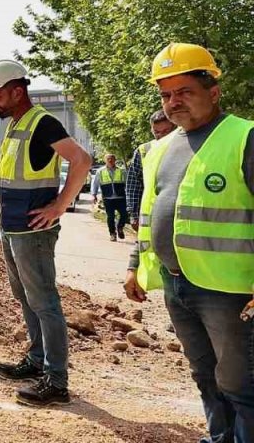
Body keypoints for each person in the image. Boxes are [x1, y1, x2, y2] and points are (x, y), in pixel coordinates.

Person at [124, 43, 254, 442]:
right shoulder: (161, 148)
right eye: (166, 95)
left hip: (230, 290)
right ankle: (219, 438)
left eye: (184, 92)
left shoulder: (244, 138)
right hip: (178, 284)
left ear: (213, 92)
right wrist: (135, 265)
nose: (173, 102)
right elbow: (150, 213)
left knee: (241, 383)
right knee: (204, 374)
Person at [0, 59, 91, 407]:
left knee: (44, 301)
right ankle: (37, 360)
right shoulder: (18, 125)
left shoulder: (42, 123)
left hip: (32, 231)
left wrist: (59, 206)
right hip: (12, 228)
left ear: (17, 91)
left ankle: (56, 380)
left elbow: (82, 160)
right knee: (27, 298)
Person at [126, 109, 177, 235]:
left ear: (175, 128)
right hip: (151, 216)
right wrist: (134, 215)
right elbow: (133, 186)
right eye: (157, 132)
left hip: (178, 216)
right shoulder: (144, 150)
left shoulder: (186, 148)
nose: (161, 136)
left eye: (166, 131)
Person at [92, 154, 129, 241]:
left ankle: (120, 227)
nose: (110, 161)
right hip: (108, 198)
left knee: (124, 215)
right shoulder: (100, 171)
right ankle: (112, 234)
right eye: (108, 159)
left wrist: (129, 195)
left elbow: (127, 183)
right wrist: (94, 195)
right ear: (105, 160)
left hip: (120, 197)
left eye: (112, 159)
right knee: (110, 217)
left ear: (115, 160)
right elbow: (95, 183)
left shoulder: (121, 171)